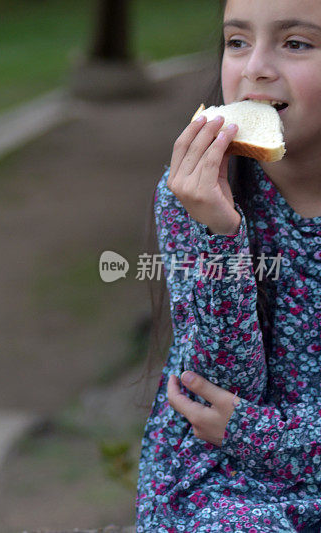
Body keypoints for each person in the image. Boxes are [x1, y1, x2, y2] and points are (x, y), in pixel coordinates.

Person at [137, 0, 321, 530]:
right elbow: (216, 390)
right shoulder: (191, 194)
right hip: (217, 482)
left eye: (296, 43)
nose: (255, 68)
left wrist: (255, 431)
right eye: (237, 41)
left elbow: (232, 421)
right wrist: (219, 234)